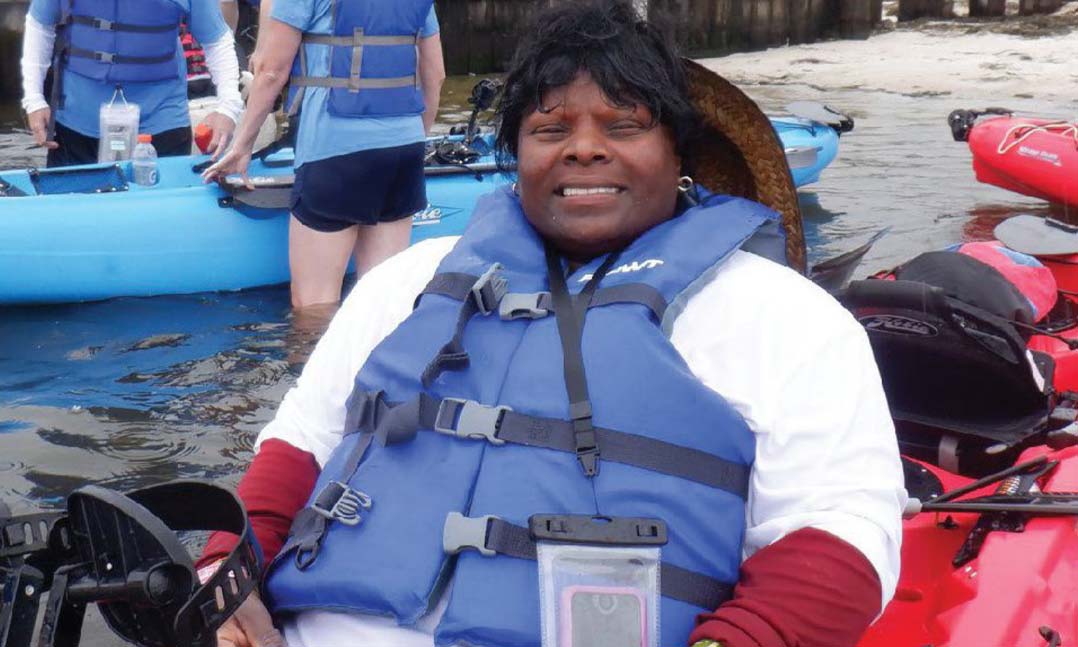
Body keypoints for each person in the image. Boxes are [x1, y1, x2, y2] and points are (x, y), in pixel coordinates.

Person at [199, 3, 905, 647]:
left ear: (680, 153)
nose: (584, 149)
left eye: (624, 126)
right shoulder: (406, 283)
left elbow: (842, 534)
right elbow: (297, 446)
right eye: (550, 128)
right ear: (516, 157)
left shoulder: (783, 315)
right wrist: (223, 587)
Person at [202, 0, 446, 309]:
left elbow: (271, 71)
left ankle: (313, 355)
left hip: (335, 151)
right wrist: (416, 137)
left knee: (314, 306)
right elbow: (435, 74)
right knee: (382, 301)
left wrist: (243, 145)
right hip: (404, 151)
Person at [21, 0, 242, 167]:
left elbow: (217, 41)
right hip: (76, 120)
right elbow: (40, 23)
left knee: (158, 217)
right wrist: (34, 99)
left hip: (161, 119)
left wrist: (228, 107)